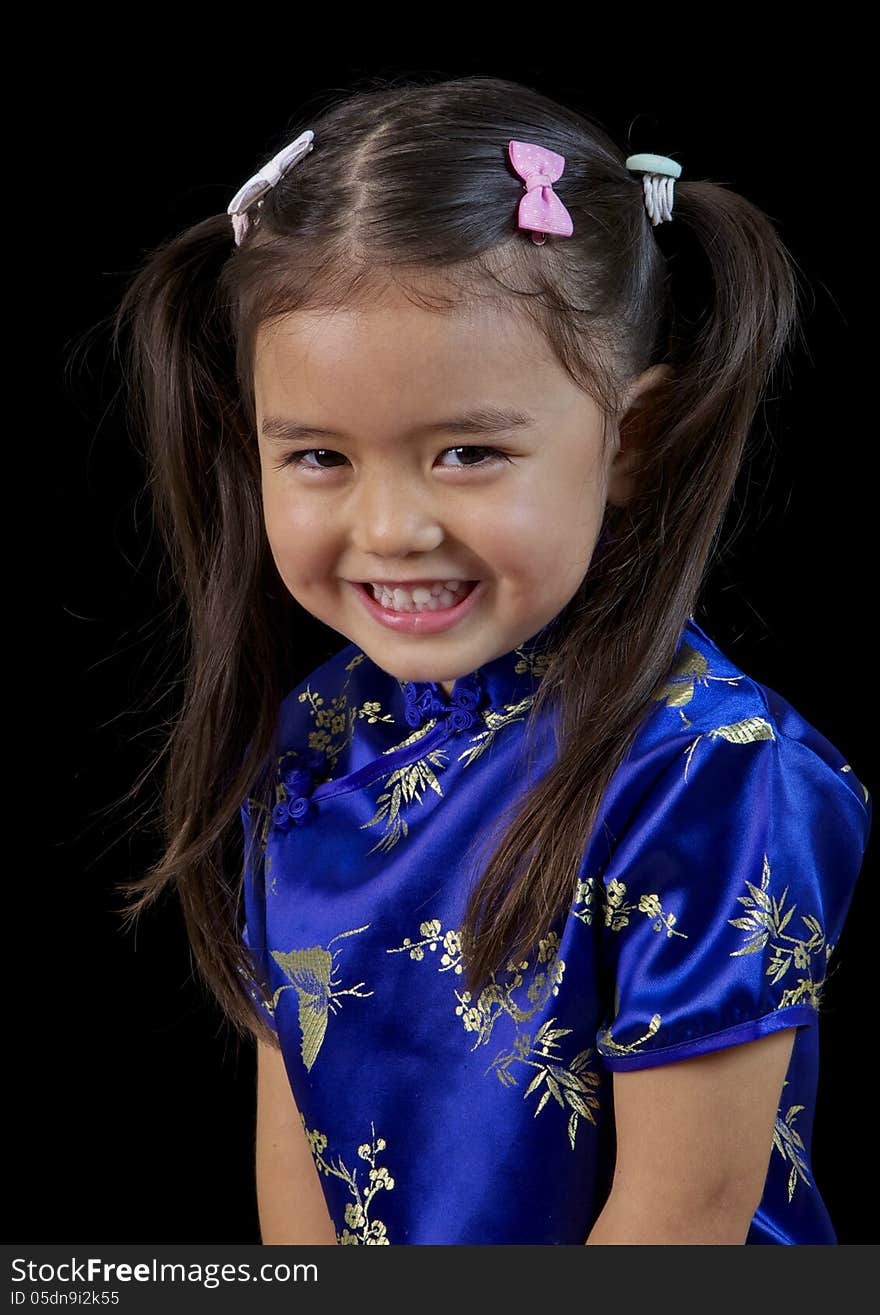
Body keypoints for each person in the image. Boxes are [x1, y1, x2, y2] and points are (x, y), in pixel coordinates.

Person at [109, 75, 871, 1245]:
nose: (390, 528)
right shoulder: (312, 732)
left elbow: (682, 1221)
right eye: (318, 455)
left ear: (632, 440)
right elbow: (300, 1153)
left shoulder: (709, 775)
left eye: (465, 451)